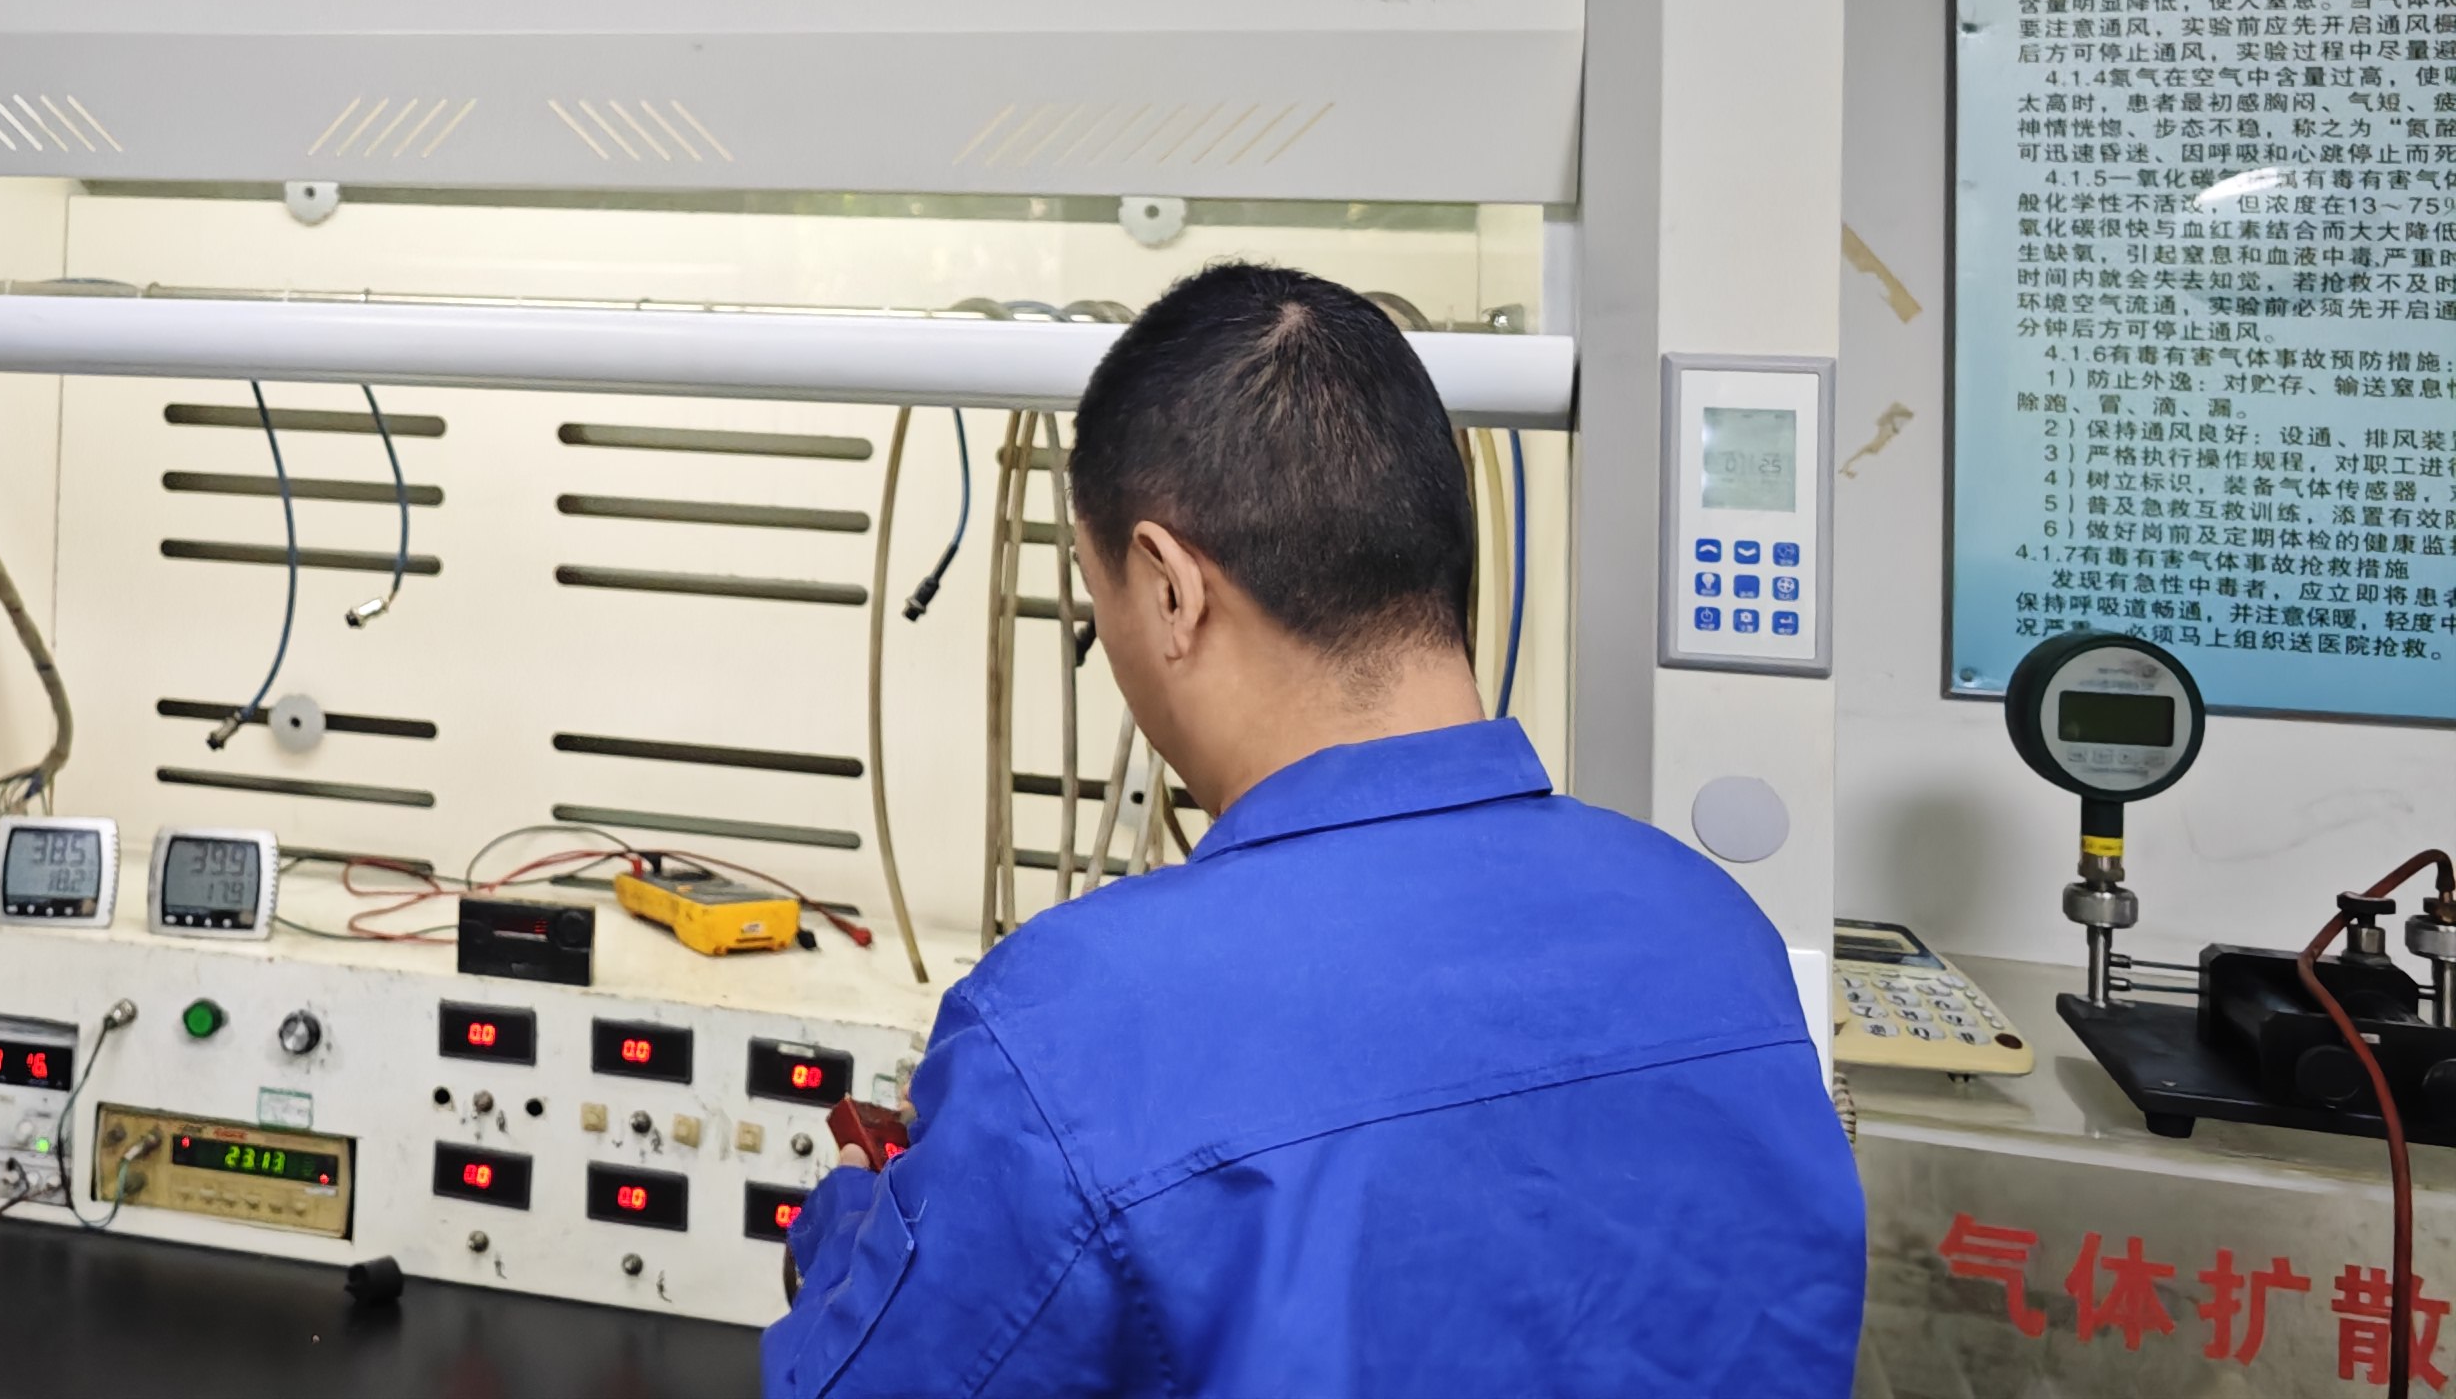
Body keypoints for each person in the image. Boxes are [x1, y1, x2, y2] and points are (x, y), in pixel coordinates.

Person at [768, 264, 1862, 1397]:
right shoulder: (1715, 935)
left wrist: (851, 1234)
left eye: (1102, 601)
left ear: (1169, 588)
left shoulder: (1070, 1032)